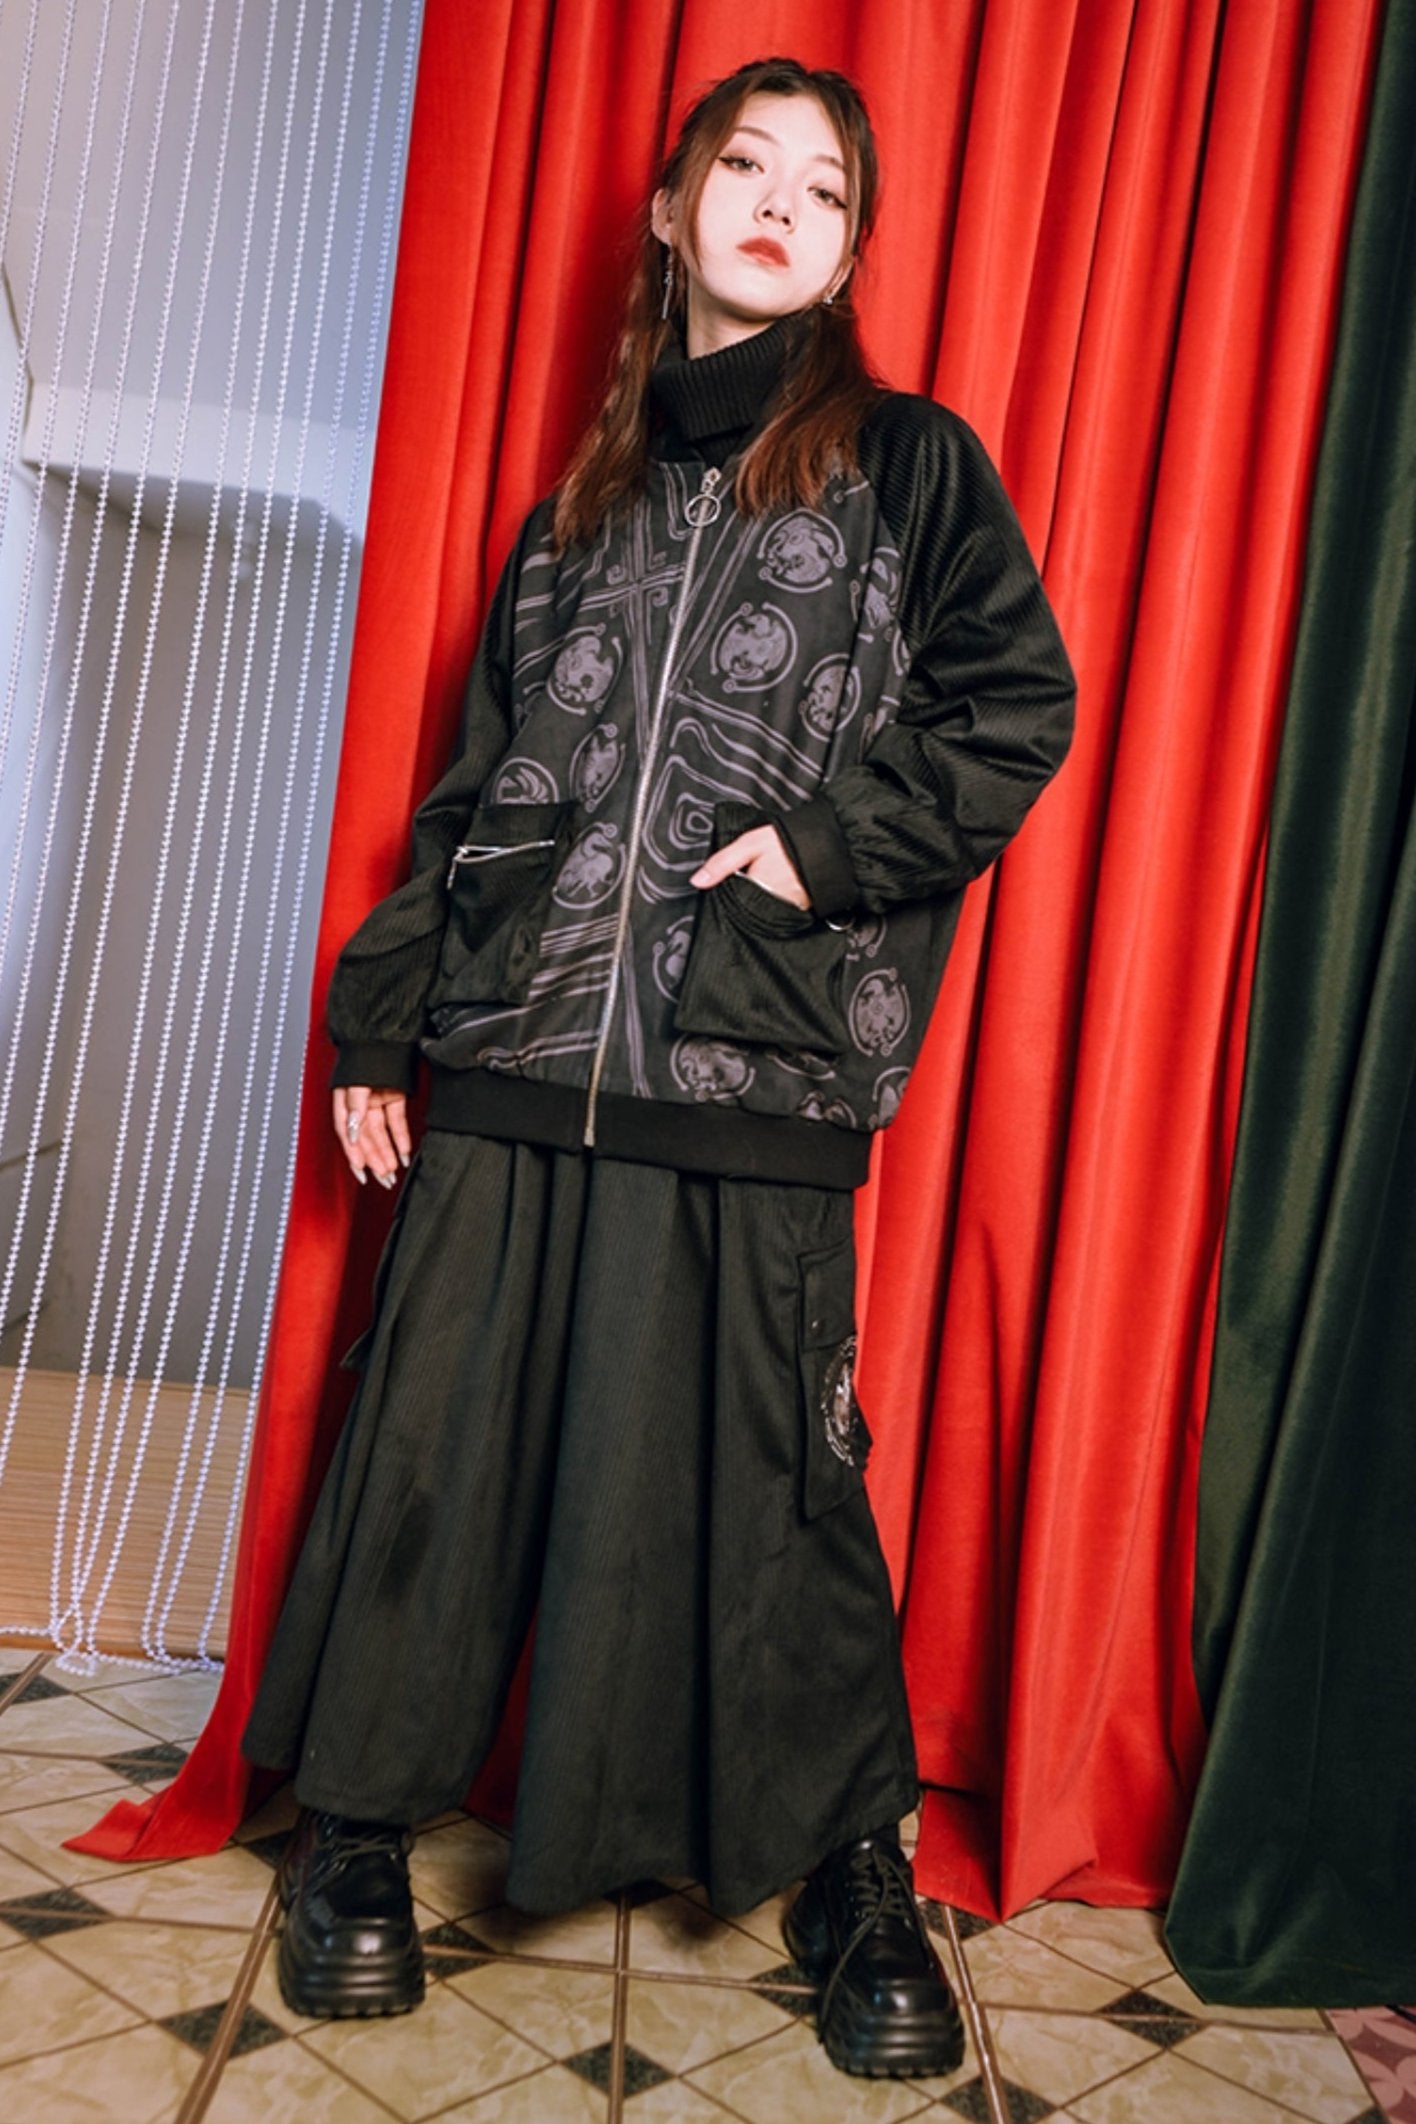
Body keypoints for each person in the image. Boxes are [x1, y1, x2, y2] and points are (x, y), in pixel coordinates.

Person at [242, 55, 1075, 2081]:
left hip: (756, 1060)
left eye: (824, 187)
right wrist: (384, 1017)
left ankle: (853, 1864)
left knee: (779, 1487)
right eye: (746, 166)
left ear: (848, 255)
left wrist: (822, 850)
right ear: (673, 209)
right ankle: (357, 1833)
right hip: (515, 1047)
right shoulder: (571, 517)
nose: (781, 201)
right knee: (436, 1445)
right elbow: (481, 790)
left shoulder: (910, 468)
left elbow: (1014, 701)